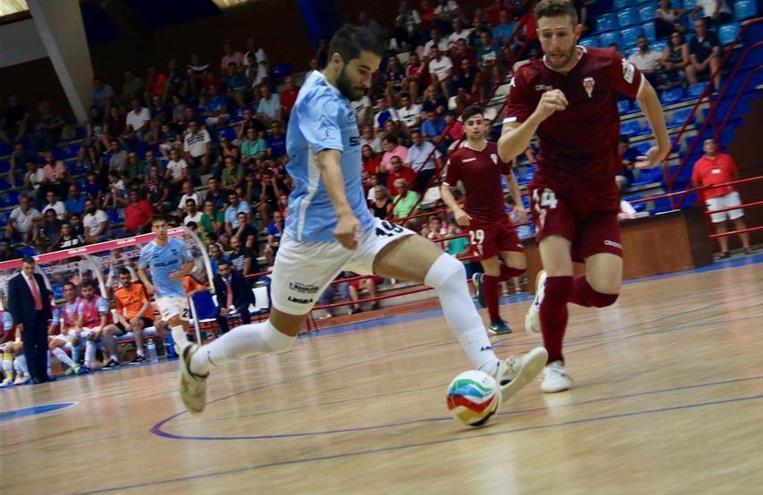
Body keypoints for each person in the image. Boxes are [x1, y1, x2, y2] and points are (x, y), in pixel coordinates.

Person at [177, 25, 547, 415]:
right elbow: (328, 159)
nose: (369, 81)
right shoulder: (317, 100)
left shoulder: (338, 94)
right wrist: (341, 212)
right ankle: (197, 363)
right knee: (278, 337)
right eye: (363, 71)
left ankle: (493, 369)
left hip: (362, 230)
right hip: (314, 241)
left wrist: (352, 216)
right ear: (337, 60)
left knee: (450, 272)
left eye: (373, 72)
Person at [498, 0, 670, 393]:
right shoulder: (527, 78)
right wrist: (537, 115)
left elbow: (647, 93)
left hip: (599, 188)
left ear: (577, 32)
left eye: (561, 34)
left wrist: (662, 144)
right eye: (546, 35)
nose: (553, 43)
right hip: (553, 185)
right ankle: (554, 364)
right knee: (559, 275)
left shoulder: (605, 63)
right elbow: (506, 151)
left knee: (605, 292)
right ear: (536, 35)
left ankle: (546, 295)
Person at [441, 106, 527, 335]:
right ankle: (496, 321)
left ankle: (482, 281)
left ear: (485, 124)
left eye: (479, 122)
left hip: (501, 216)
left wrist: (518, 204)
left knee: (519, 266)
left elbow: (510, 178)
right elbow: (445, 189)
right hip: (478, 220)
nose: (476, 127)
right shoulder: (458, 157)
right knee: (493, 270)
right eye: (471, 123)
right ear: (465, 128)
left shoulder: (497, 150)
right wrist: (456, 210)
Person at [137, 216, 196, 356]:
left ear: (167, 227)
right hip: (162, 294)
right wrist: (147, 284)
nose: (161, 229)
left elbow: (190, 262)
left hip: (180, 292)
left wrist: (182, 273)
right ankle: (186, 350)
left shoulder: (178, 244)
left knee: (185, 325)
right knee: (174, 319)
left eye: (163, 226)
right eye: (157, 227)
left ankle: (178, 346)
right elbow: (140, 269)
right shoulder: (147, 250)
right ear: (153, 230)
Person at [690, 138, 753, 260]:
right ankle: (725, 251)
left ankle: (747, 247)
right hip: (712, 197)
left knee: (738, 220)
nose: (710, 146)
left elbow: (735, 174)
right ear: (703, 148)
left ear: (716, 145)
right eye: (707, 144)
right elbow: (695, 182)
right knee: (719, 223)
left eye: (712, 143)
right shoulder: (698, 164)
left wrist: (730, 184)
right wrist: (707, 189)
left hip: (730, 193)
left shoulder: (726, 158)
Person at [103, 269, 167, 365]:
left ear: (131, 277)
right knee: (107, 330)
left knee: (135, 322)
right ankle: (114, 358)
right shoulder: (118, 293)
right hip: (129, 320)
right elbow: (119, 312)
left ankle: (140, 354)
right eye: (123, 278)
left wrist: (137, 317)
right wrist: (125, 324)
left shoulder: (139, 287)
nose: (126, 280)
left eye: (128, 277)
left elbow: (146, 304)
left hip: (145, 317)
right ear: (120, 280)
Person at [6, 257, 54, 384]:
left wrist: (48, 316)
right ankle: (35, 375)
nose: (30, 270)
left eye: (32, 267)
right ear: (22, 266)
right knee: (29, 348)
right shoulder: (15, 282)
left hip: (40, 316)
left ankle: (44, 374)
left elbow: (44, 296)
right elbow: (12, 304)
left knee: (43, 346)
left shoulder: (38, 278)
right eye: (27, 268)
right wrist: (18, 321)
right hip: (26, 320)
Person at [213, 260, 255, 335]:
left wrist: (231, 307)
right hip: (228, 301)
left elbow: (243, 294)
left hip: (242, 299)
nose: (224, 272)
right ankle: (226, 334)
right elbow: (219, 296)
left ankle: (248, 332)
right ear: (218, 271)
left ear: (230, 268)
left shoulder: (238, 276)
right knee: (217, 313)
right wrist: (222, 307)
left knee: (243, 310)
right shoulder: (216, 279)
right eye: (221, 270)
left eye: (226, 269)